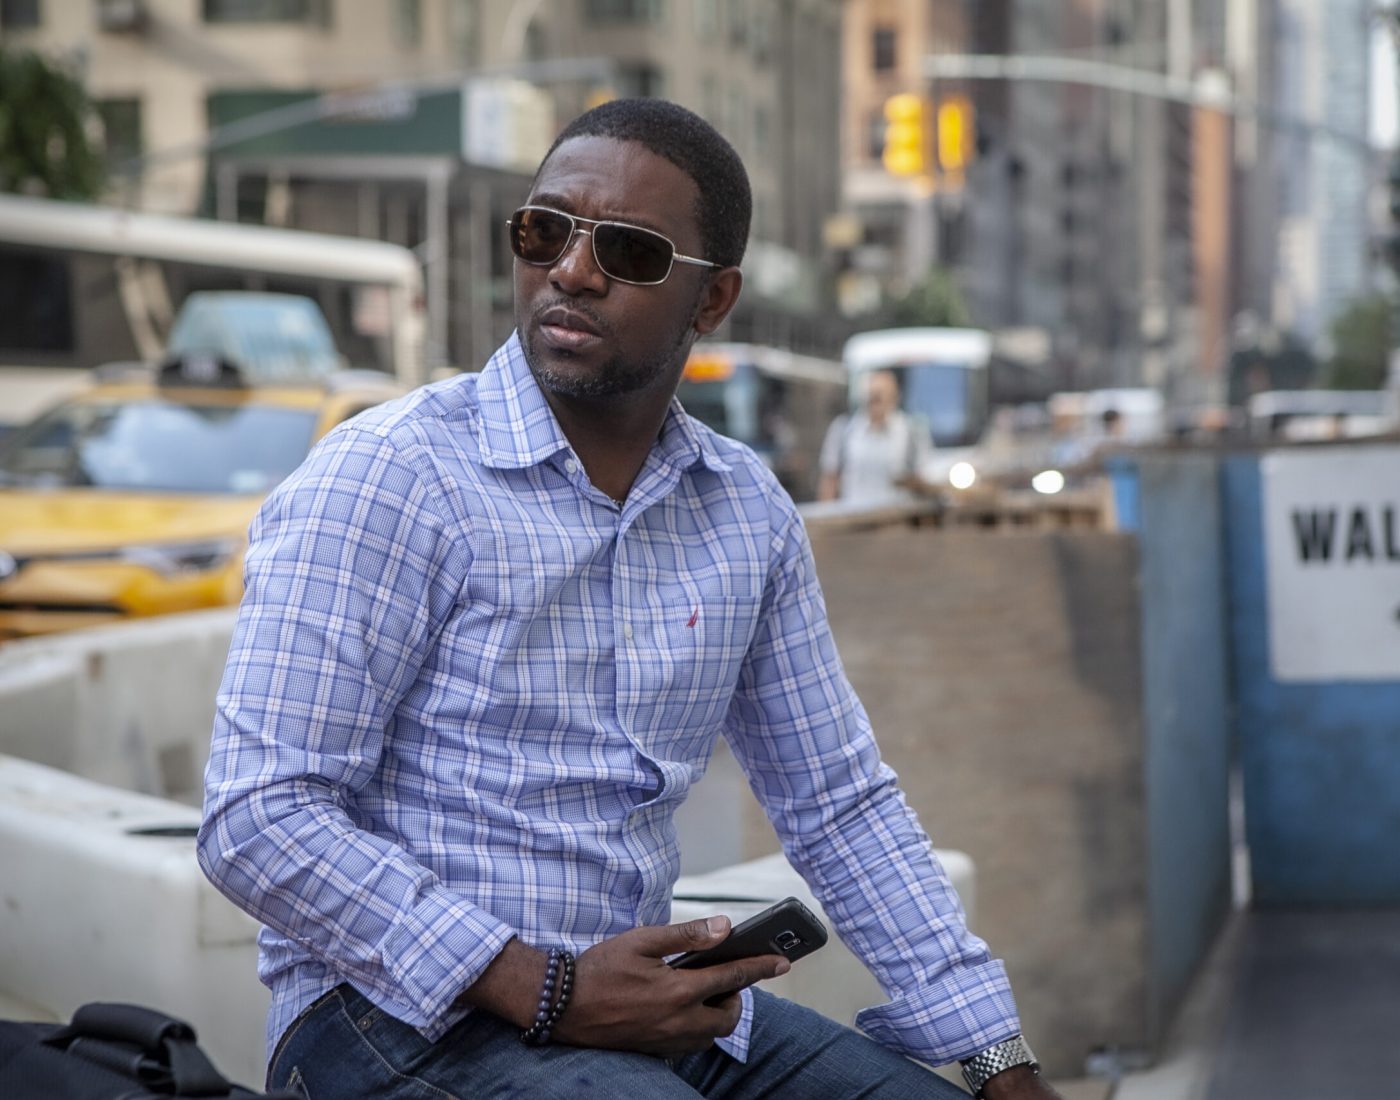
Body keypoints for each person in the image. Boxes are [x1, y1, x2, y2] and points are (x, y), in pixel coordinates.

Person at [197, 98, 1060, 1100]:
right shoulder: (390, 477)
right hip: (389, 1018)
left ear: (712, 299)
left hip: (644, 1005)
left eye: (630, 252)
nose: (571, 268)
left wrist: (996, 1057)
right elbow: (259, 814)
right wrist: (545, 986)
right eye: (544, 230)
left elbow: (836, 801)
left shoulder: (743, 512)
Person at [817, 368, 932, 504]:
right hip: (852, 518)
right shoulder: (844, 429)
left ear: (894, 397)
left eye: (880, 396)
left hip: (896, 519)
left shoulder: (912, 432)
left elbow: (924, 478)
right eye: (872, 396)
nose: (875, 402)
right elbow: (830, 479)